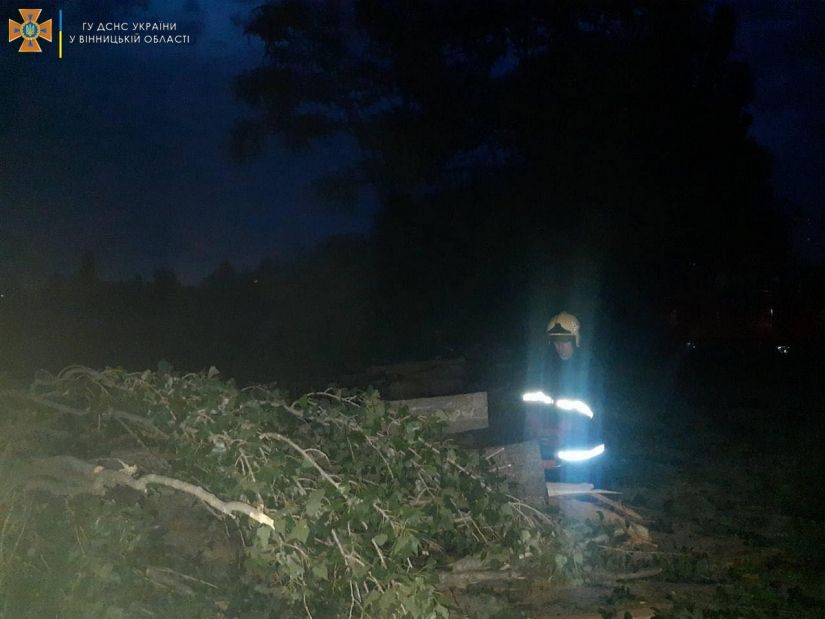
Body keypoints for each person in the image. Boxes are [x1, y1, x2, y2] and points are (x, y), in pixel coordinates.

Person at [524, 311, 605, 482]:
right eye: (556, 342)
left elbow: (590, 411)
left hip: (582, 449)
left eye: (564, 341)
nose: (560, 347)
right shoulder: (549, 368)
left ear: (575, 339)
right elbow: (538, 402)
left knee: (582, 496)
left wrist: (564, 427)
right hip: (554, 446)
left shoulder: (590, 368)